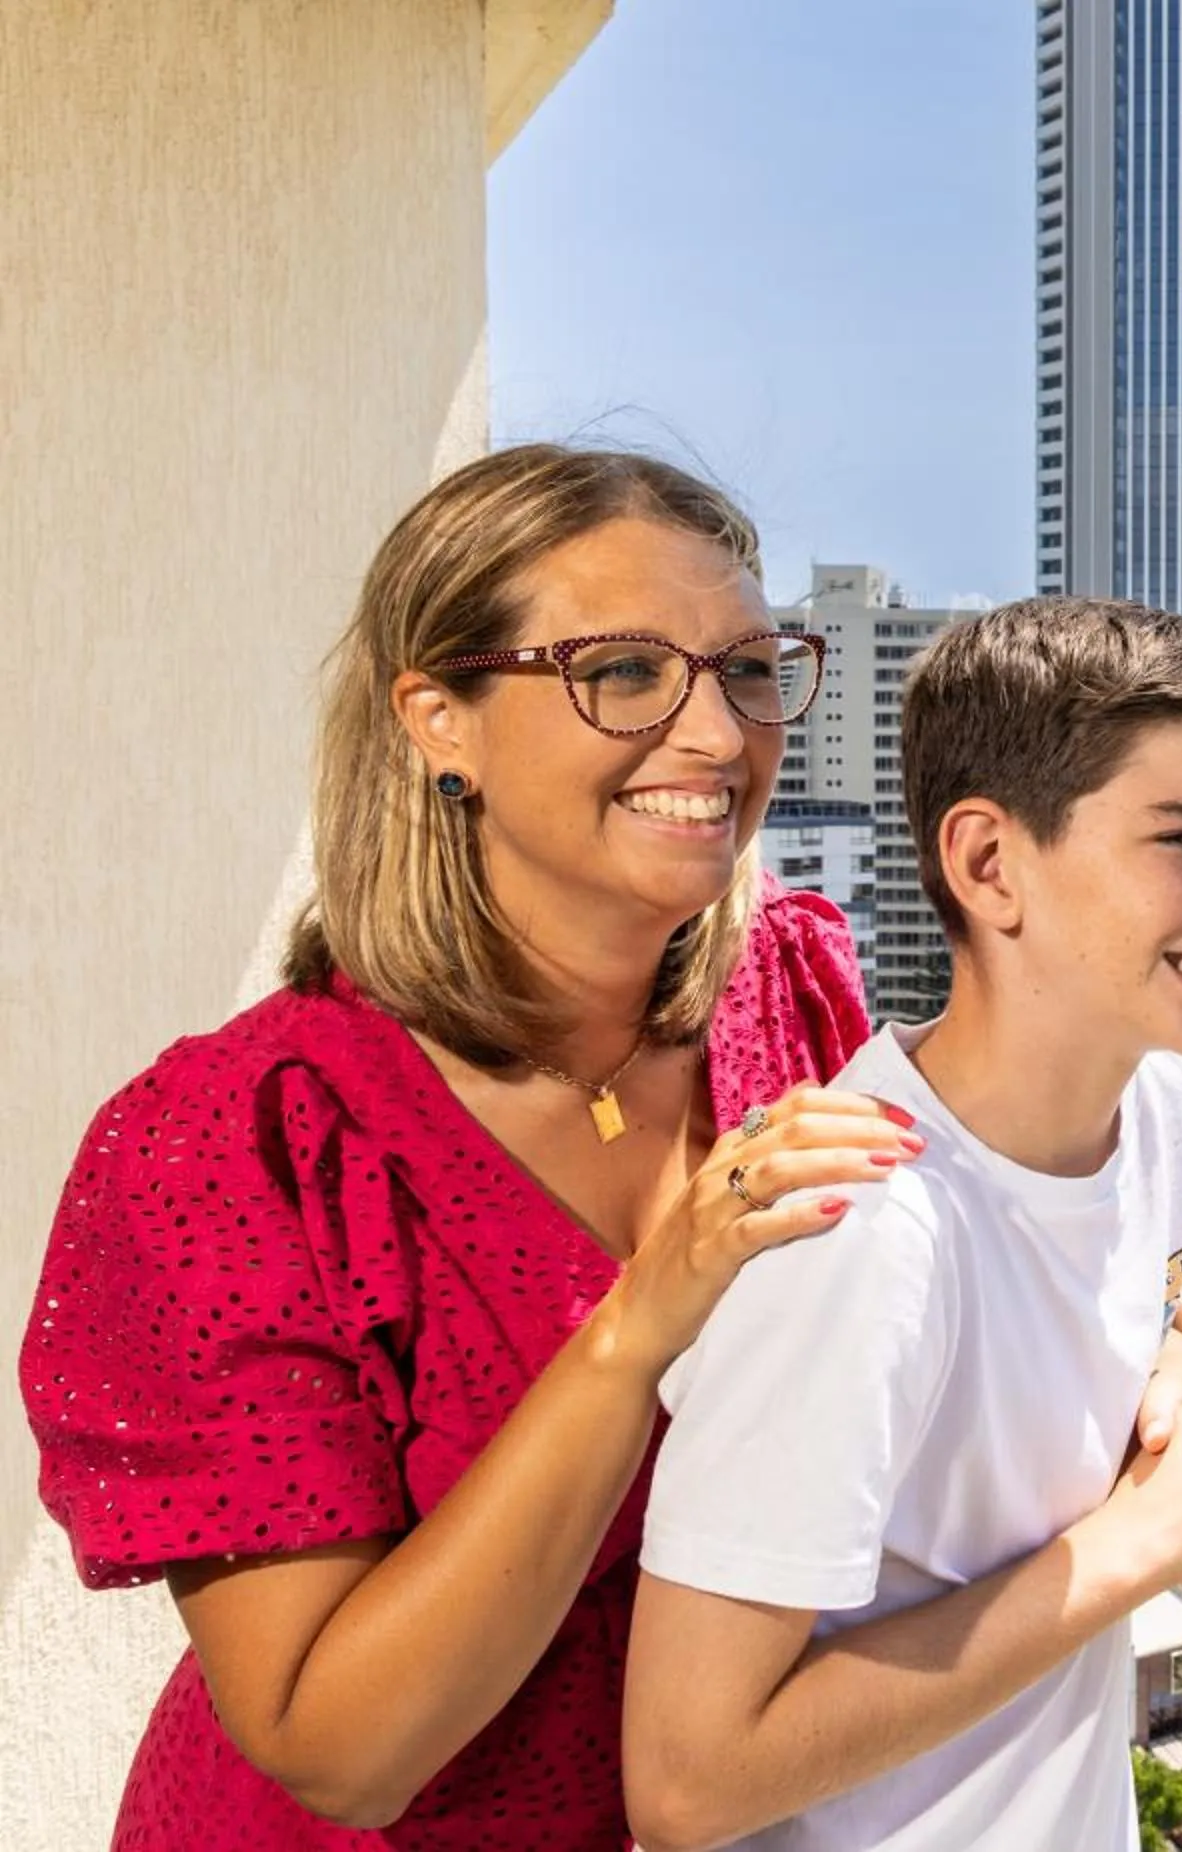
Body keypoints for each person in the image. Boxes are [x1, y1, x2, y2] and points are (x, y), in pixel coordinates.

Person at [16, 445, 920, 1847]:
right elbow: (342, 1751)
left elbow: (928, 1278)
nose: (717, 737)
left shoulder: (790, 990)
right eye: (622, 671)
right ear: (440, 720)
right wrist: (636, 1328)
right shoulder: (232, 1150)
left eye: (748, 670)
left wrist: (1160, 1326)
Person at [621, 597, 1182, 1851]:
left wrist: (1177, 1352)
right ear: (989, 865)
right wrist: (1139, 1540)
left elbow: (1074, 1297)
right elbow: (686, 1781)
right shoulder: (862, 1233)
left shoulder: (1170, 1089)